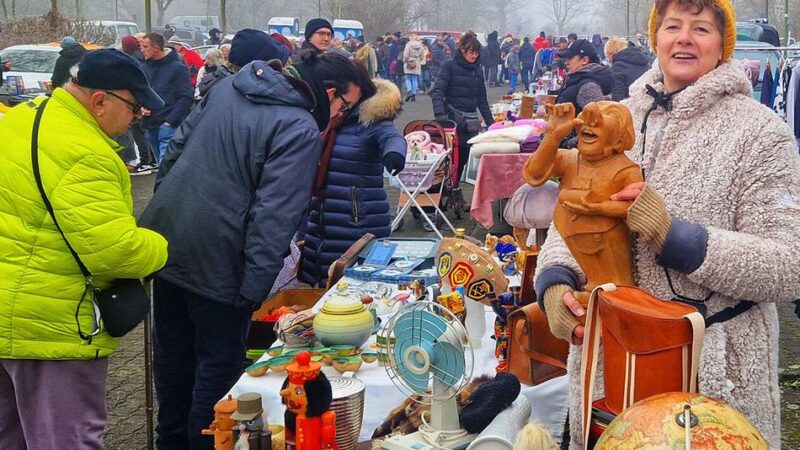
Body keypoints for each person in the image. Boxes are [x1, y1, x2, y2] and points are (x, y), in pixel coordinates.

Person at [533, 1, 800, 448]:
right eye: (672, 26)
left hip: (712, 370)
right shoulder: (614, 117)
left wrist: (675, 236)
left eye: (701, 28)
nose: (684, 38)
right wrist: (555, 284)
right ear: (655, 37)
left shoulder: (760, 133)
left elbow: (789, 263)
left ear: (723, 46)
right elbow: (570, 216)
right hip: (609, 360)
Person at [139, 51, 362, 450]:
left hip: (167, 242)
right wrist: (254, 288)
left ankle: (170, 442)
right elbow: (273, 215)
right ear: (329, 92)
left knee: (173, 360)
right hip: (222, 262)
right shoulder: (298, 127)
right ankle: (205, 443)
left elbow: (173, 153)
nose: (340, 116)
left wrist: (166, 217)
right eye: (344, 106)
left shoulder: (227, 86)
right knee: (218, 370)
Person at [0, 48, 168, 450]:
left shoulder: (22, 119)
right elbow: (115, 252)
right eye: (134, 108)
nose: (136, 119)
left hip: (9, 312)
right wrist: (159, 244)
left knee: (11, 435)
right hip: (52, 326)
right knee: (67, 438)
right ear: (99, 101)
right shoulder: (87, 154)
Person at [300, 77, 406, 287]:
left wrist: (394, 153)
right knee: (322, 286)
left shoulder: (373, 124)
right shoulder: (329, 122)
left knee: (354, 286)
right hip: (321, 219)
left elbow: (391, 137)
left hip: (357, 220)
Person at [431, 31, 494, 212]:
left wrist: (491, 122)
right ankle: (448, 193)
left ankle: (452, 192)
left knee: (463, 160)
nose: (473, 56)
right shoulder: (449, 66)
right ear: (462, 50)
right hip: (452, 121)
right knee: (450, 161)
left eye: (476, 53)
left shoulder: (477, 70)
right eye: (470, 52)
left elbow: (482, 99)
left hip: (470, 122)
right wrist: (440, 115)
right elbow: (437, 92)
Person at [140, 32, 193, 165]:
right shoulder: (144, 68)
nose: (141, 50)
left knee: (166, 167)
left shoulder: (178, 68)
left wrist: (169, 121)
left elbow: (186, 96)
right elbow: (140, 93)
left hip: (168, 125)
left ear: (156, 48)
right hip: (150, 124)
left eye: (145, 46)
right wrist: (140, 107)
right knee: (161, 166)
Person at [555, 39, 613, 116]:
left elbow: (599, 122)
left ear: (585, 60)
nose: (566, 62)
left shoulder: (588, 87)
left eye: (570, 58)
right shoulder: (576, 79)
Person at [604, 36, 651, 100]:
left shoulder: (617, 68)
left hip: (632, 105)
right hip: (649, 100)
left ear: (612, 54)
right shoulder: (644, 59)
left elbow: (618, 95)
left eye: (608, 56)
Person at [403, 34, 426, 102]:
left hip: (409, 61)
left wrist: (405, 60)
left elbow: (406, 54)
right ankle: (413, 94)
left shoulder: (408, 44)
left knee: (408, 78)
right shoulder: (421, 45)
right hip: (417, 62)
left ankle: (409, 91)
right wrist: (418, 61)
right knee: (415, 79)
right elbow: (422, 56)